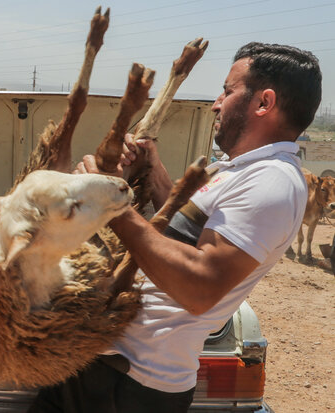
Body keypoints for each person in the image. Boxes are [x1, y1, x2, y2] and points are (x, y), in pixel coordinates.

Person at [29, 42, 321, 413]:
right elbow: (184, 228)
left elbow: (200, 287)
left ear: (263, 103)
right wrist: (152, 163)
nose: (216, 103)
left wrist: (110, 202)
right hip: (105, 366)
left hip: (133, 386)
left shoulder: (273, 182)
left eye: (228, 92)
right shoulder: (237, 170)